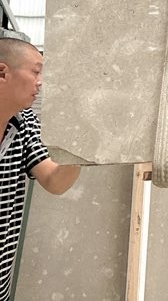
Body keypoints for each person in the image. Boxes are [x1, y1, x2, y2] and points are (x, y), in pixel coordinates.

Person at [0, 30, 80, 301]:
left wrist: (82, 148)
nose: (41, 82)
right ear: (3, 73)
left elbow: (54, 180)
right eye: (35, 72)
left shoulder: (24, 124)